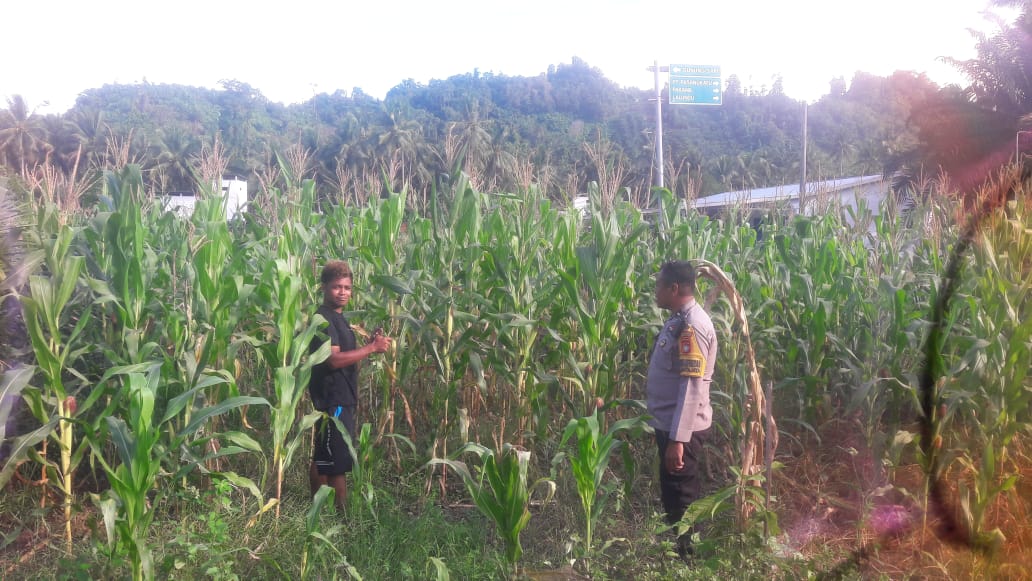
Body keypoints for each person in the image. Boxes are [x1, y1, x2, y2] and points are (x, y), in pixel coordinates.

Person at [645, 260, 718, 560]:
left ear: (674, 288)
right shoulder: (679, 319)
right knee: (673, 497)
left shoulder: (693, 325)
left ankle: (689, 561)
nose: (655, 292)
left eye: (659, 286)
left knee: (682, 500)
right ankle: (678, 555)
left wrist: (678, 439)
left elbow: (692, 386)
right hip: (670, 425)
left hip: (681, 431)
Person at [308, 260, 392, 510]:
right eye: (336, 287)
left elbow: (345, 354)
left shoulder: (339, 318)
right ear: (323, 287)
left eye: (347, 287)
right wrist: (371, 348)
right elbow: (332, 360)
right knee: (337, 463)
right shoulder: (323, 319)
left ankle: (318, 510)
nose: (343, 292)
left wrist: (370, 342)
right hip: (332, 399)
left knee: (325, 456)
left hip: (341, 396)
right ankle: (341, 517)